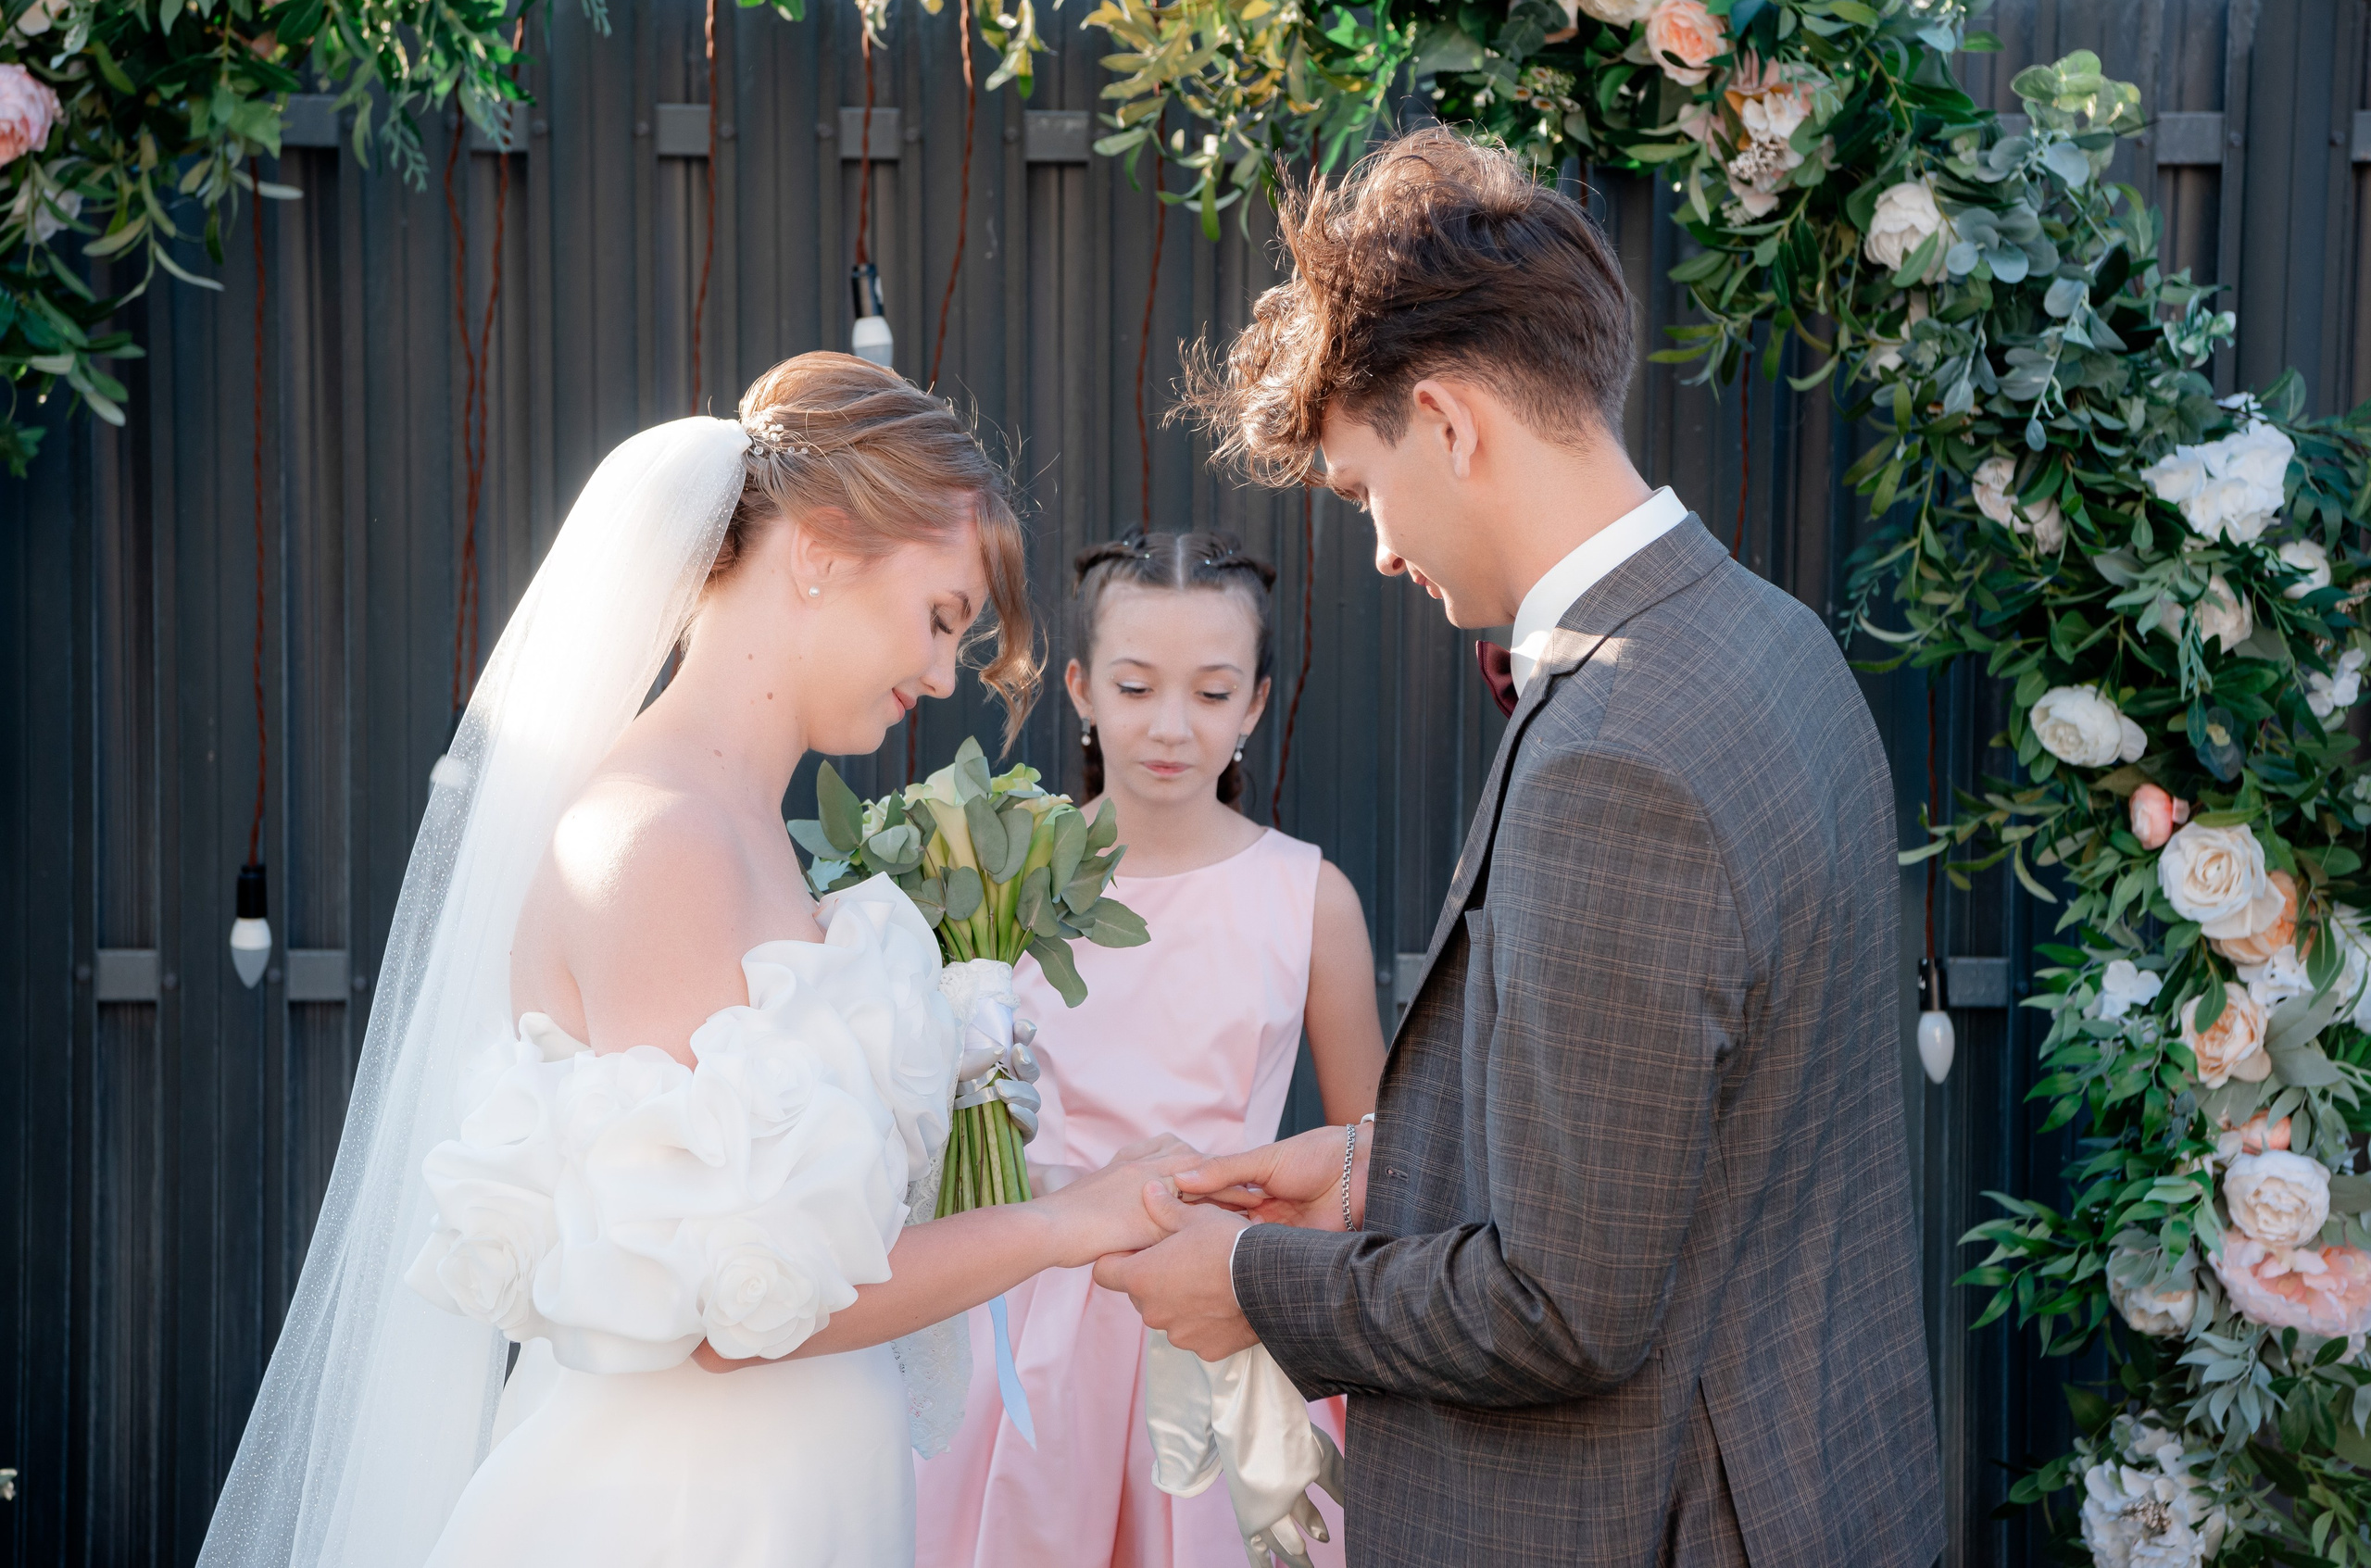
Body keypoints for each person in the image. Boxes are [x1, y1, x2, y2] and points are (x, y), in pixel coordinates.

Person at [1093, 129, 1945, 1566]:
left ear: (1451, 422)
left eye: (1365, 489)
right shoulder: (1768, 639)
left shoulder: (1615, 749)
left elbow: (1561, 1304)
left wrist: (1255, 1282)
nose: (1376, 549)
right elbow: (1693, 1135)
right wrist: (1376, 1176)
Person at [194, 353, 1193, 1568]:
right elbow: (729, 1307)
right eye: (938, 619)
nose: (940, 676)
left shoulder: (745, 834)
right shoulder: (655, 840)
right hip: (682, 1517)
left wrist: (1007, 1142)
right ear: (821, 550)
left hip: (799, 1495)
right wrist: (1064, 1228)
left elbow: (815, 1233)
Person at [915, 528, 1385, 1568]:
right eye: (1135, 686)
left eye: (1212, 694)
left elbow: (1372, 1151)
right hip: (1028, 1331)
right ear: (1080, 687)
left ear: (1255, 703)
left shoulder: (1310, 899)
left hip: (1221, 1315)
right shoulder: (1003, 889)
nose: (1171, 726)